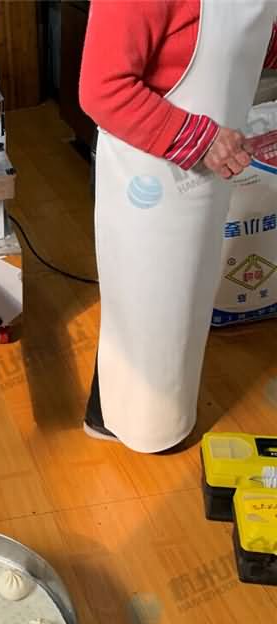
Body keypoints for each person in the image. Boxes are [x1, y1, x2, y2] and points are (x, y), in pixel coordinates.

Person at [78, 0, 277, 453]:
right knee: (150, 302)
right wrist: (204, 140)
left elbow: (249, 36)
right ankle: (135, 424)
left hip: (207, 171)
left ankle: (111, 411)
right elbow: (102, 89)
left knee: (179, 301)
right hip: (150, 171)